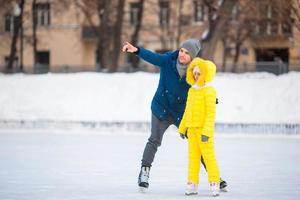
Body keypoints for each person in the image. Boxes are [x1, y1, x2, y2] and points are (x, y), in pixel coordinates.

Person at [121, 39, 227, 192]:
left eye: (186, 53)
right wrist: (136, 50)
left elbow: (202, 87)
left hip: (181, 113)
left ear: (193, 57)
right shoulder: (168, 60)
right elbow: (153, 57)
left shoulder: (195, 70)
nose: (182, 55)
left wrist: (210, 99)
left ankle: (215, 176)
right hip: (161, 107)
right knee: (154, 139)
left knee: (199, 144)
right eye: (182, 51)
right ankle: (144, 172)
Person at [178, 58, 220, 196]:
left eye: (199, 73)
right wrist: (183, 127)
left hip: (203, 131)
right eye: (194, 73)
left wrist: (206, 132)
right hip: (191, 130)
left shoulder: (209, 91)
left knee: (209, 157)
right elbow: (187, 110)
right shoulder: (192, 90)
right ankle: (192, 183)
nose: (196, 76)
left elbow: (210, 114)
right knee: (193, 158)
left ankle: (214, 182)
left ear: (206, 74)